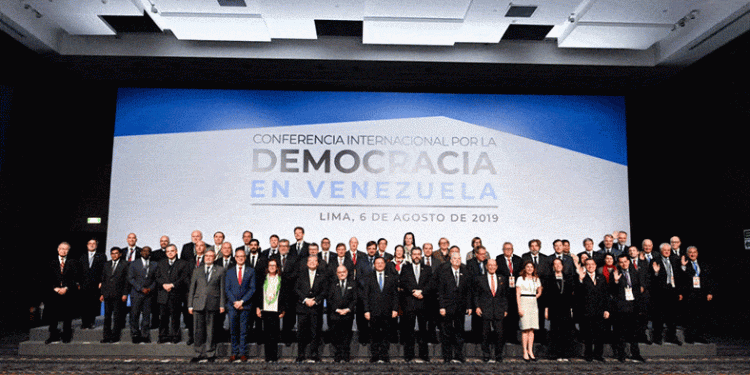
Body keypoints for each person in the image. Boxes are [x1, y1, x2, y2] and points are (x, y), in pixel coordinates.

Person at [187, 249, 226, 362]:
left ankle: (210, 353)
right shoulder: (197, 270)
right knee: (197, 331)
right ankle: (198, 353)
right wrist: (190, 305)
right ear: (204, 258)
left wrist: (222, 305)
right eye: (206, 256)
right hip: (198, 304)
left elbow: (222, 289)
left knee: (211, 330)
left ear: (214, 258)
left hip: (213, 303)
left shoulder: (220, 270)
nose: (208, 258)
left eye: (211, 256)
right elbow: (192, 289)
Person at [362, 257, 399, 363]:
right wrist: (366, 310)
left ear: (385, 264)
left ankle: (384, 355)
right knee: (374, 334)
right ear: (374, 264)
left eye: (381, 263)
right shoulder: (369, 277)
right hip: (373, 311)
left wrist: (395, 309)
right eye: (377, 263)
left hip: (387, 311)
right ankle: (375, 355)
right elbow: (365, 296)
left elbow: (395, 295)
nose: (379, 265)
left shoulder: (391, 277)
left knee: (386, 334)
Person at [437, 252, 472, 363]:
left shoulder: (466, 273)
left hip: (460, 308)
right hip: (447, 308)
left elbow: (468, 292)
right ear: (451, 261)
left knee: (459, 332)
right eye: (454, 258)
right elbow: (440, 292)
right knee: (446, 332)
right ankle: (447, 356)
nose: (457, 260)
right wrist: (442, 306)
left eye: (459, 258)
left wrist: (469, 306)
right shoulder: (444, 273)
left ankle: (458, 355)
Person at [399, 247, 432, 363]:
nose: (416, 256)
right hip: (410, 303)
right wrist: (413, 291)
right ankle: (409, 355)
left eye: (419, 254)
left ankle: (424, 355)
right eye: (414, 254)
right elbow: (402, 281)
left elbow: (430, 283)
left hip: (423, 303)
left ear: (421, 255)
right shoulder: (405, 267)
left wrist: (422, 292)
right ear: (411, 256)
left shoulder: (427, 268)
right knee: (409, 330)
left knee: (423, 330)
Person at [611, 255, 645, 362]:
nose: (624, 264)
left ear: (629, 262)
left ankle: (635, 354)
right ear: (618, 263)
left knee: (634, 333)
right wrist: (615, 282)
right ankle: (621, 354)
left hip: (633, 306)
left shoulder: (635, 273)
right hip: (621, 308)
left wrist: (639, 307)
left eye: (625, 261)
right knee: (621, 333)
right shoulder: (615, 274)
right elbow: (611, 291)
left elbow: (639, 291)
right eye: (621, 262)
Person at [45, 242, 80, 344]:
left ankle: (66, 336)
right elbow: (46, 278)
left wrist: (66, 288)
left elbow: (76, 278)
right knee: (53, 316)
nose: (63, 251)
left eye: (66, 249)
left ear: (68, 251)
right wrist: (55, 288)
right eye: (61, 248)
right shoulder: (51, 263)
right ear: (58, 249)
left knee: (67, 316)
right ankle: (53, 336)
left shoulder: (73, 262)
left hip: (67, 292)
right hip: (54, 293)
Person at [156, 244, 191, 344]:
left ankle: (175, 336)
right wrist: (163, 284)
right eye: (168, 251)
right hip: (163, 293)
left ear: (176, 251)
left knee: (175, 317)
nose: (170, 253)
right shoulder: (161, 263)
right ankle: (162, 336)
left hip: (175, 294)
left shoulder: (183, 263)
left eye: (172, 251)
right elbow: (157, 276)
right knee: (163, 317)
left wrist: (172, 285)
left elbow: (184, 278)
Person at [474, 259, 508, 362]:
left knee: (499, 333)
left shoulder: (502, 278)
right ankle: (486, 355)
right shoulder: (480, 279)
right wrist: (477, 307)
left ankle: (498, 355)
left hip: (499, 310)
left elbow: (505, 296)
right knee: (485, 334)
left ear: (497, 267)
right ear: (486, 266)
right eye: (490, 265)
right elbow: (476, 295)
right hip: (485, 310)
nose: (492, 267)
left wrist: (505, 309)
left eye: (494, 265)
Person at [577, 258, 610, 362]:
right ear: (585, 266)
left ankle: (598, 354)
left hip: (600, 311)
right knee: (588, 335)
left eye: (592, 264)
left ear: (596, 266)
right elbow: (578, 294)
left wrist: (606, 309)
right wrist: (581, 281)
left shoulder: (601, 277)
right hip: (586, 311)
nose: (590, 266)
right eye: (588, 264)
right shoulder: (582, 278)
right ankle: (588, 354)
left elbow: (606, 295)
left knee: (599, 334)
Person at [295, 256, 327, 362]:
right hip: (302, 307)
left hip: (315, 308)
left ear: (318, 263)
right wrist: (305, 300)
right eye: (310, 261)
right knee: (301, 333)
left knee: (315, 332)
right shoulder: (300, 274)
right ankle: (300, 355)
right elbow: (296, 289)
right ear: (307, 263)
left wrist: (315, 300)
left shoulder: (322, 275)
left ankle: (314, 354)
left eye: (315, 261)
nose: (312, 262)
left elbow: (324, 291)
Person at [225, 248, 255, 362]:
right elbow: (227, 289)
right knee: (233, 330)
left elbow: (252, 289)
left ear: (245, 258)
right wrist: (235, 302)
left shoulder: (250, 271)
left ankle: (242, 353)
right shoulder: (229, 271)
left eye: (242, 256)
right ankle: (234, 352)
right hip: (232, 306)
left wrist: (242, 302)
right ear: (235, 258)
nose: (240, 258)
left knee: (244, 331)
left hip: (245, 306)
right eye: (238, 256)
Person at [543, 257, 575, 361]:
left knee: (566, 332)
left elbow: (571, 294)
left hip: (565, 308)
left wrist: (571, 308)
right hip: (554, 308)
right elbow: (546, 295)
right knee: (555, 332)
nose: (557, 266)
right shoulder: (549, 278)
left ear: (562, 266)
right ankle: (555, 354)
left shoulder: (568, 277)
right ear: (553, 267)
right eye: (555, 264)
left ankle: (565, 354)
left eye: (559, 264)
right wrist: (546, 309)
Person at [679, 246, 714, 343]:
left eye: (694, 252)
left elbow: (709, 279)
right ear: (687, 254)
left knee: (701, 316)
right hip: (690, 294)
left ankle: (700, 336)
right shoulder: (685, 264)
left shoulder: (703, 264)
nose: (692, 254)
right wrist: (683, 267)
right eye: (690, 252)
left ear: (697, 253)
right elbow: (681, 278)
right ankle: (690, 337)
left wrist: (710, 292)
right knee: (690, 316)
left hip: (702, 293)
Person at [650, 242, 682, 345]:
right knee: (659, 316)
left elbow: (679, 277)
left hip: (672, 291)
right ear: (661, 251)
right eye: (665, 250)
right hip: (660, 292)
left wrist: (679, 292)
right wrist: (656, 273)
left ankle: (672, 337)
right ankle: (657, 337)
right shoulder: (655, 261)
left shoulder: (675, 260)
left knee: (672, 316)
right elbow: (651, 279)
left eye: (669, 250)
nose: (667, 252)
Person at [256, 258, 286, 362]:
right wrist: (258, 308)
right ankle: (267, 356)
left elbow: (285, 295)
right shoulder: (263, 279)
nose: (272, 267)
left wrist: (283, 309)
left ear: (277, 267)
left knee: (274, 334)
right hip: (265, 309)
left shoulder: (281, 279)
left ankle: (274, 356)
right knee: (266, 334)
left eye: (274, 265)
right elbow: (258, 295)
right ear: (267, 267)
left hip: (276, 310)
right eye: (270, 265)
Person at [100, 247, 130, 343]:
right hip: (107, 294)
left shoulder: (125, 264)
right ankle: (106, 336)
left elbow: (126, 281)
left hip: (119, 294)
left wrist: (125, 293)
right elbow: (103, 280)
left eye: (116, 253)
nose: (114, 255)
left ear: (120, 254)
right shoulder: (107, 264)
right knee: (107, 317)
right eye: (112, 253)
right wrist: (102, 294)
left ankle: (115, 336)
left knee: (117, 316)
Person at [327, 265, 357, 362]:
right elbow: (329, 299)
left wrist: (348, 309)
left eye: (343, 271)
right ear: (337, 274)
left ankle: (346, 354)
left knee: (347, 335)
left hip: (348, 314)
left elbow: (355, 299)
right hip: (335, 315)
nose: (342, 274)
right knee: (336, 335)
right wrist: (337, 309)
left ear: (347, 272)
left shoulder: (352, 284)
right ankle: (338, 353)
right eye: (339, 272)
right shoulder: (332, 284)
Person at [128, 246, 157, 344]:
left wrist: (150, 288)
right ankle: (135, 334)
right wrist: (140, 288)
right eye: (144, 251)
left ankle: (145, 335)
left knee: (146, 315)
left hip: (148, 294)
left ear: (150, 253)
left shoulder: (154, 264)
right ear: (140, 252)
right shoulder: (134, 263)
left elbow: (156, 279)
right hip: (136, 293)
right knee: (134, 314)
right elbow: (130, 278)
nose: (146, 253)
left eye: (148, 251)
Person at [496, 242, 522, 344]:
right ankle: (504, 338)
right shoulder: (499, 259)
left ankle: (514, 338)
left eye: (509, 249)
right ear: (503, 250)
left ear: (513, 249)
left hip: (515, 291)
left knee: (515, 316)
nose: (508, 251)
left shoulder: (518, 260)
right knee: (504, 316)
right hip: (504, 291)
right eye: (506, 249)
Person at [516, 260, 542, 361]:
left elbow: (540, 289)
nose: (530, 268)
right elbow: (517, 294)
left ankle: (530, 351)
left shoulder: (536, 279)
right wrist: (519, 307)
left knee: (532, 329)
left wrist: (537, 295)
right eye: (528, 267)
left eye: (531, 267)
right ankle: (524, 352)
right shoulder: (520, 279)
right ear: (524, 268)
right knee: (525, 329)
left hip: (533, 304)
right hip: (524, 302)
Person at [79, 238, 106, 330]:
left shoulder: (102, 256)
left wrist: (101, 281)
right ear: (87, 245)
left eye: (93, 243)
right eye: (90, 243)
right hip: (84, 284)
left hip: (95, 284)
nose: (91, 245)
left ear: (96, 245)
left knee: (93, 304)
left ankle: (91, 322)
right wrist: (78, 283)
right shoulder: (82, 256)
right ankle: (84, 322)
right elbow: (79, 271)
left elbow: (104, 270)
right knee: (84, 304)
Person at [467, 245, 489, 344]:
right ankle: (475, 339)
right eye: (481, 254)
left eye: (485, 254)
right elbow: (470, 280)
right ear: (476, 254)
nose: (483, 256)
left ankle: (484, 339)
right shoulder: (470, 264)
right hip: (474, 292)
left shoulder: (487, 263)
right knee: (476, 318)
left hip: (485, 294)